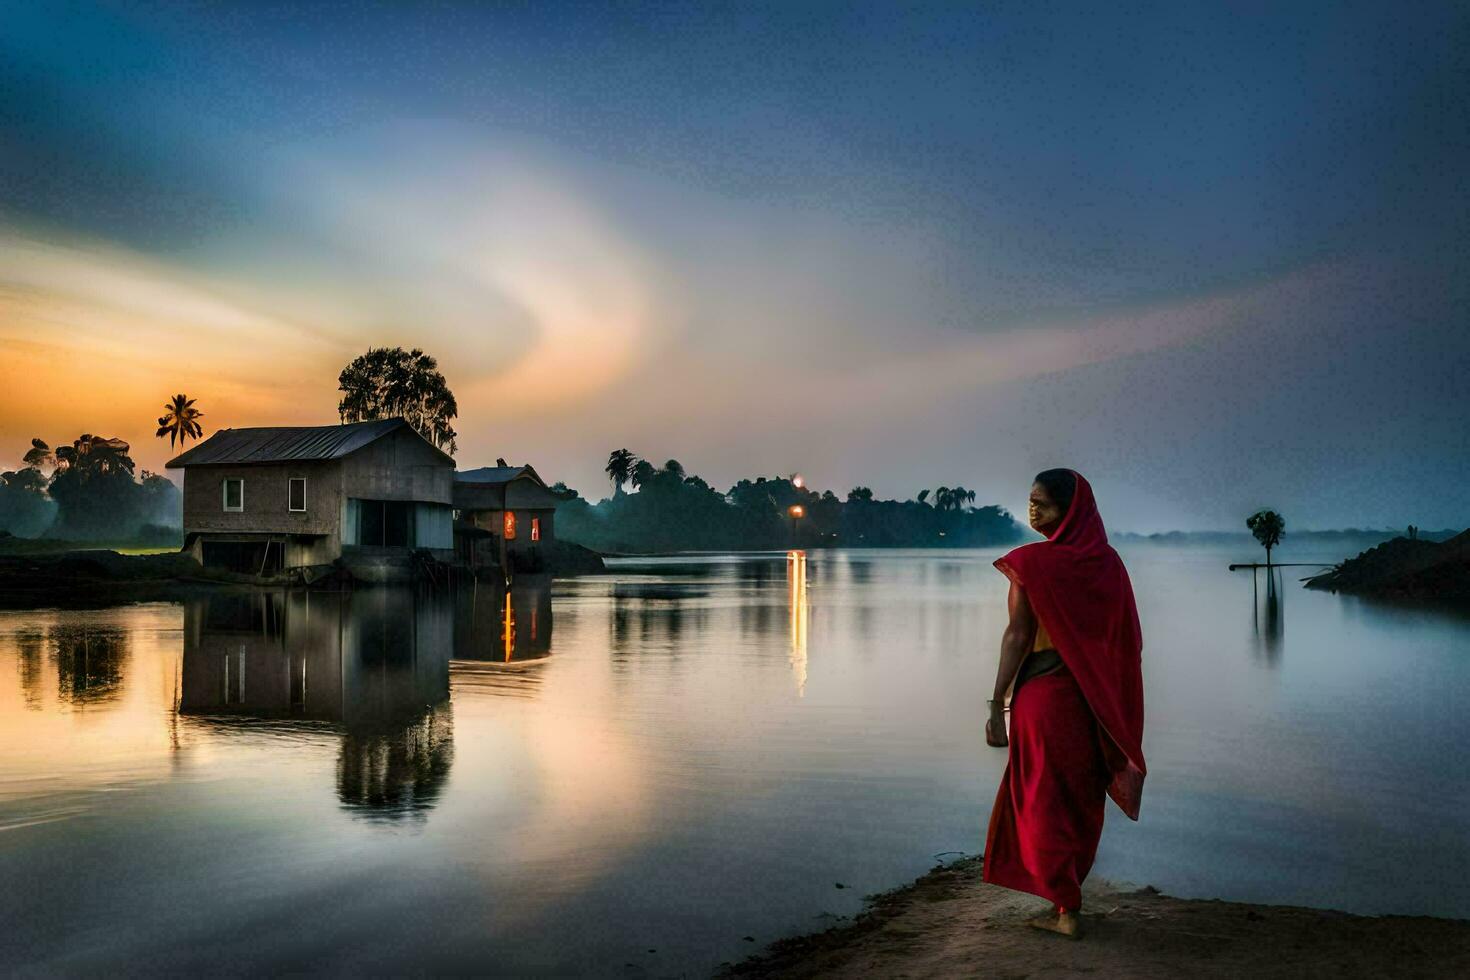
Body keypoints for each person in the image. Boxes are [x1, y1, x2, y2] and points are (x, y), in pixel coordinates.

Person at [982, 469, 1146, 938]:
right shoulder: (1108, 564)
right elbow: (1128, 642)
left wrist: (996, 703)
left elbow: (1018, 636)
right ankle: (1066, 902)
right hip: (1093, 704)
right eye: (1030, 502)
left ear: (1070, 510)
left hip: (1047, 699)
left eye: (1044, 504)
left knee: (1041, 798)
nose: (1033, 511)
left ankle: (1067, 908)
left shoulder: (1032, 565)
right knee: (1077, 800)